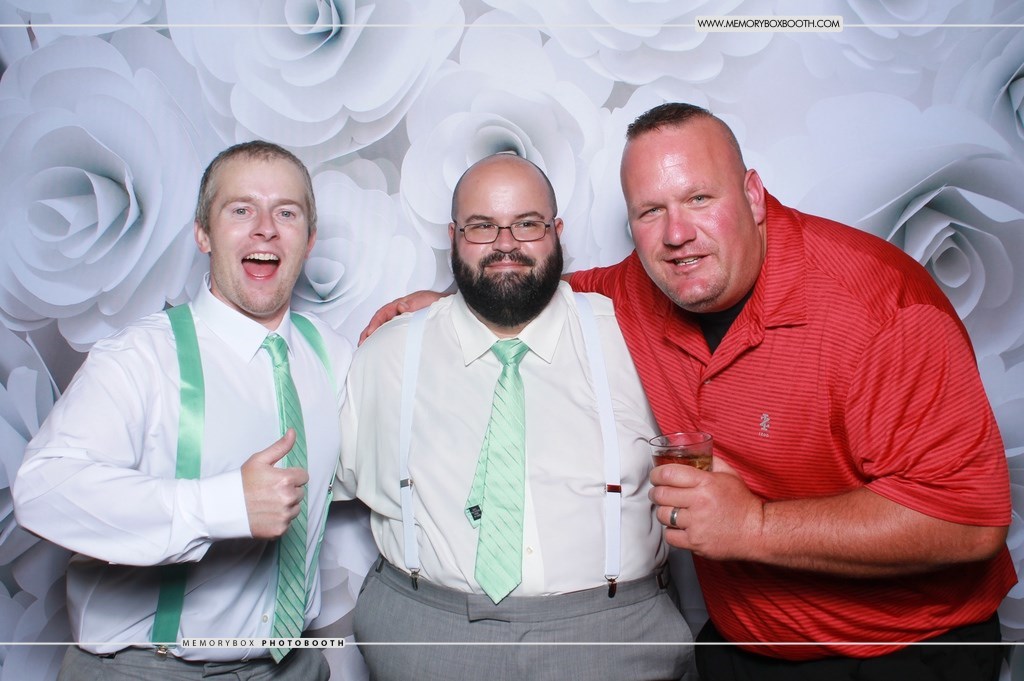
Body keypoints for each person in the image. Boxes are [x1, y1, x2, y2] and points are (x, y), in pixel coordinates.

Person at [362, 104, 1016, 680]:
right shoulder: (637, 291)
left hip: (903, 651)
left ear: (753, 195)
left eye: (699, 199)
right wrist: (449, 305)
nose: (676, 234)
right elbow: (536, 286)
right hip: (744, 648)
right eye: (651, 211)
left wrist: (753, 526)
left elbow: (970, 523)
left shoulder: (879, 307)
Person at [340, 153, 693, 681]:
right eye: (482, 226)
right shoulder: (388, 354)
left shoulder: (631, 339)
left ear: (557, 233)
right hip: (428, 635)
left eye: (527, 224)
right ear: (454, 237)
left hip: (615, 638)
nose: (505, 244)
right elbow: (327, 483)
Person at [13, 140, 351, 680]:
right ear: (202, 234)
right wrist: (221, 504)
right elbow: (42, 490)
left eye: (286, 213)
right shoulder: (141, 358)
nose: (265, 228)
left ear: (308, 240)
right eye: (241, 210)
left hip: (291, 666)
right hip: (149, 668)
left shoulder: (332, 355)